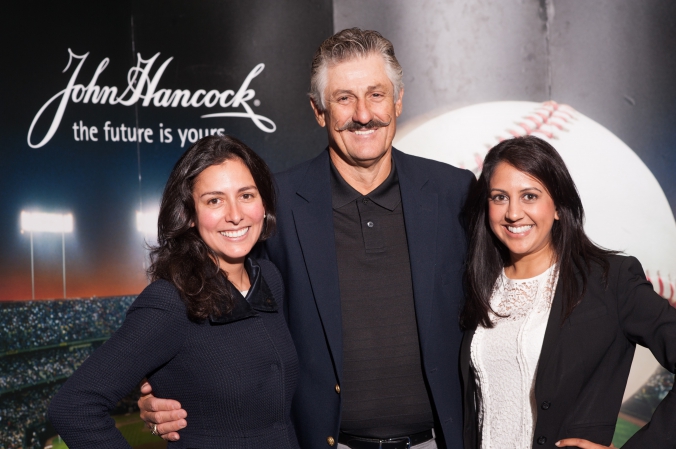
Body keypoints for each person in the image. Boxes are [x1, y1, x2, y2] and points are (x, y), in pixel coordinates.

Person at [139, 28, 475, 449]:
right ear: (319, 111)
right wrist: (162, 386)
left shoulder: (454, 191)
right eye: (344, 98)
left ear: (398, 100)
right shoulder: (273, 203)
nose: (364, 114)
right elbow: (210, 297)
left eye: (376, 94)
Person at [48, 135, 300, 449]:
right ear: (190, 215)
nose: (236, 214)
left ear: (264, 203)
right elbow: (73, 406)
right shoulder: (170, 301)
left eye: (246, 195)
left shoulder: (270, 279)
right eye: (214, 200)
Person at [460, 135, 676, 449]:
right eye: (499, 197)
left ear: (559, 207)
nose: (513, 213)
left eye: (530, 196)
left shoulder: (608, 281)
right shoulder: (477, 283)